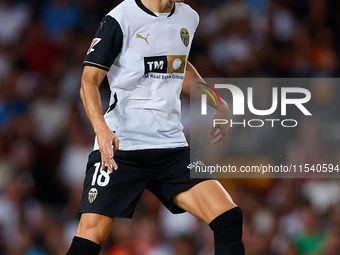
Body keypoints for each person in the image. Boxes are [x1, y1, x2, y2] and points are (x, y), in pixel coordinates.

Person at [66, 0, 245, 254]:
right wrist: (101, 128)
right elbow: (89, 81)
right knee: (90, 236)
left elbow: (178, 67)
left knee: (228, 217)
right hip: (123, 144)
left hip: (170, 146)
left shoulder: (188, 17)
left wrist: (218, 103)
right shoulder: (119, 18)